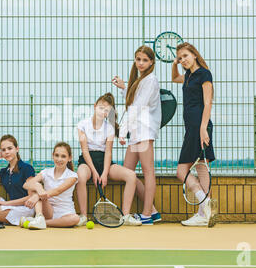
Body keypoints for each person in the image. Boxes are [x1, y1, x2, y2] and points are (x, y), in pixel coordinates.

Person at [111, 45, 161, 225]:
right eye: (138, 59)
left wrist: (122, 130)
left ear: (152, 62)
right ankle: (153, 211)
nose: (141, 63)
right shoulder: (141, 80)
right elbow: (134, 102)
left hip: (145, 132)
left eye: (145, 60)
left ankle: (147, 214)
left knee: (148, 172)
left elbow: (138, 107)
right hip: (136, 132)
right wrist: (125, 88)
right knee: (128, 172)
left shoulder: (151, 80)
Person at [75, 93, 142, 226]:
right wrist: (94, 172)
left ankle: (126, 216)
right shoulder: (82, 125)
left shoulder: (110, 128)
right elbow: (85, 150)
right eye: (101, 107)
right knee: (81, 176)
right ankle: (83, 216)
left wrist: (105, 173)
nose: (103, 111)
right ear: (95, 107)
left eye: (107, 110)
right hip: (87, 162)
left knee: (131, 176)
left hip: (105, 162)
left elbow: (108, 152)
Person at [171, 42, 217, 227]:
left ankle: (204, 204)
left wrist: (203, 128)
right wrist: (174, 63)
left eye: (185, 56)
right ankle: (203, 214)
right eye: (180, 58)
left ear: (194, 55)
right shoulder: (189, 76)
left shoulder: (204, 75)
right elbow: (175, 78)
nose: (183, 60)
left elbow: (208, 103)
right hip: (192, 127)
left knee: (181, 171)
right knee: (201, 167)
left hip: (199, 126)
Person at [22, 142, 80, 230]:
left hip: (65, 213)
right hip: (48, 210)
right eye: (57, 155)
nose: (59, 159)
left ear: (69, 158)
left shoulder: (73, 176)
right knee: (35, 187)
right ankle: (39, 216)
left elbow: (57, 191)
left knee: (76, 218)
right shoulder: (46, 172)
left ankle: (39, 222)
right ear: (53, 156)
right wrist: (38, 187)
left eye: (63, 156)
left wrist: (38, 196)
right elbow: (26, 185)